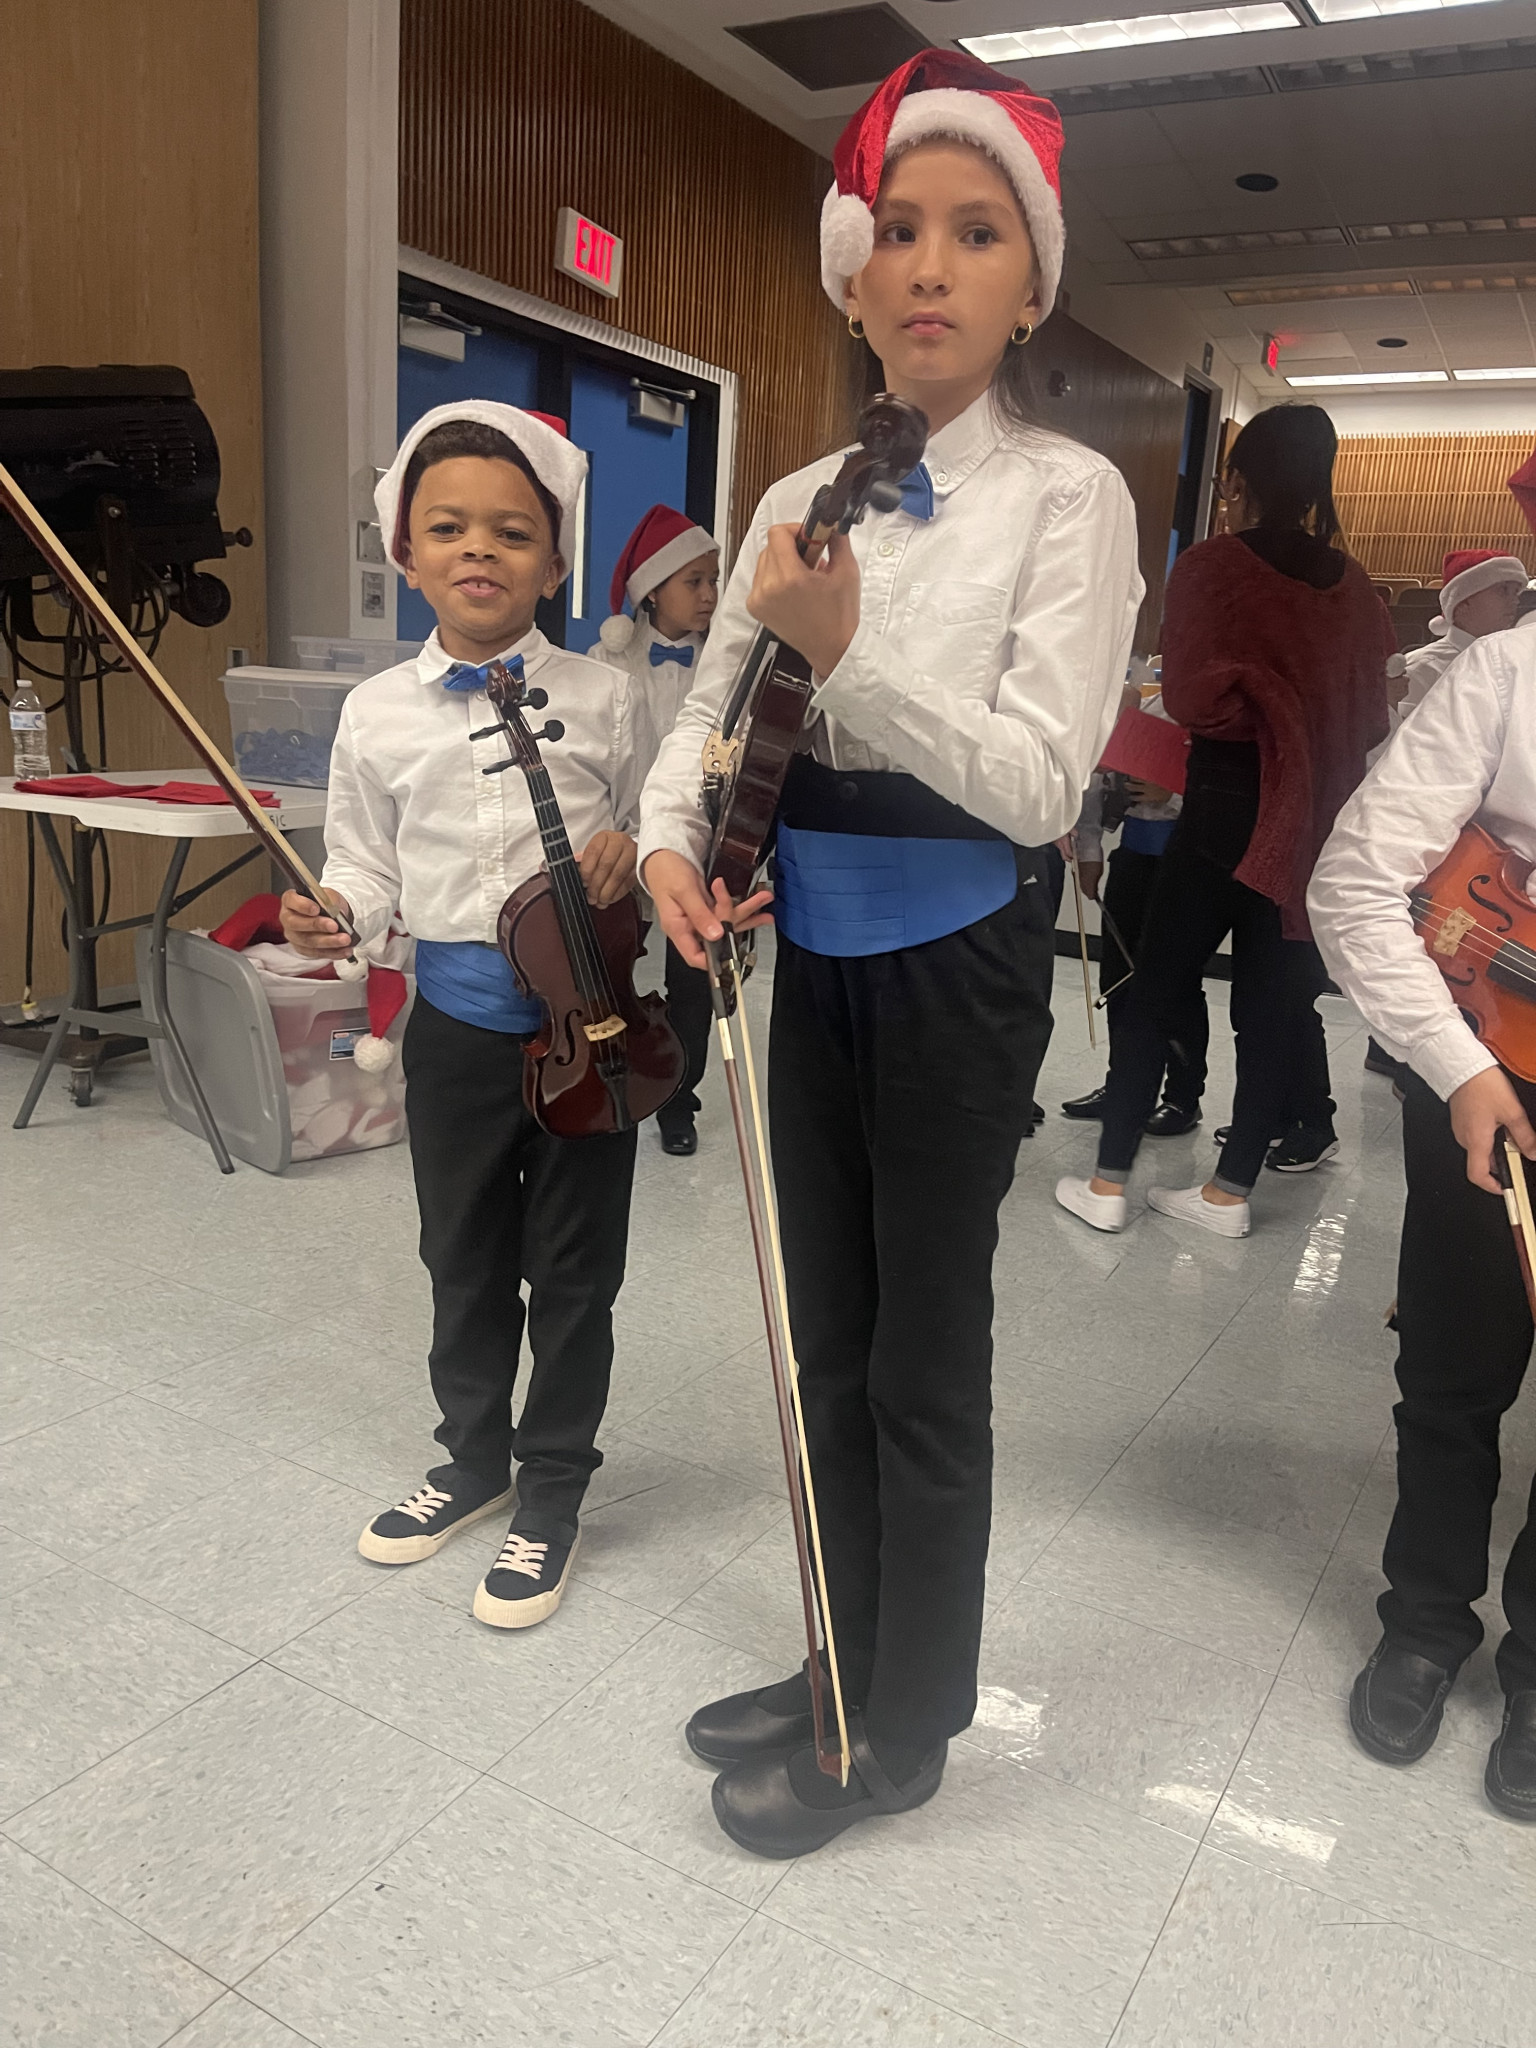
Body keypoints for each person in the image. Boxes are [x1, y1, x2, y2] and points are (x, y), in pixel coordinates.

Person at [639, 48, 1142, 1857]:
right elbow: (707, 711)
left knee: (922, 1353)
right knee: (821, 1337)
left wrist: (849, 652)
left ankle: (907, 1714)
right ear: (853, 276)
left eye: (978, 232)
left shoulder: (1071, 497)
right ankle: (838, 1652)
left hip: (961, 962)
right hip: (815, 957)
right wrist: (667, 842)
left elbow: (1037, 785)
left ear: (1032, 285)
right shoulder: (795, 488)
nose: (932, 265)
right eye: (901, 230)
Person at [279, 401, 644, 1631]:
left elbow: (656, 832)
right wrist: (337, 909)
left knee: (576, 1274)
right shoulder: (377, 711)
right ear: (406, 550)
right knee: (462, 1256)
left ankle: (554, 1490)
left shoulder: (605, 695)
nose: (478, 548)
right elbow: (364, 864)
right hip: (455, 1032)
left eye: (511, 530)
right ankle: (474, 1458)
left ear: (553, 558)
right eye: (448, 527)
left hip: (592, 1026)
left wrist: (629, 851)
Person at [1056, 404, 1391, 1239]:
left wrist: (1255, 709)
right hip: (1312, 824)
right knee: (1272, 1008)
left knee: (1155, 988)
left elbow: (1191, 698)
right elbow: (1370, 717)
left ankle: (1107, 1184)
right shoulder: (1355, 588)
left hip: (1221, 812)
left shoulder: (1213, 565)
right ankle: (1229, 1194)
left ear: (1237, 481)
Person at [1309, 625, 1536, 1822]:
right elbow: (1355, 882)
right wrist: (1457, 1065)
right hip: (1491, 1062)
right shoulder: (1506, 672)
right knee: (1454, 1367)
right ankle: (1426, 1621)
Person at [593, 504, 721, 1156]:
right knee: (608, 971)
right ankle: (613, 1080)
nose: (709, 595)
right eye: (693, 581)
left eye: (713, 580)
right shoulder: (606, 666)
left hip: (694, 850)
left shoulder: (723, 669)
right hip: (622, 846)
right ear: (651, 591)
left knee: (694, 986)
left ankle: (678, 1098)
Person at [1062, 675, 1205, 1136]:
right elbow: (1098, 782)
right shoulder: (1146, 709)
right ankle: (1124, 1085)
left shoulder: (1221, 716)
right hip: (1135, 857)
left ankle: (1183, 1097)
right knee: (1119, 976)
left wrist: (1174, 792)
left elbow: (1236, 794)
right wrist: (1090, 853)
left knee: (1176, 984)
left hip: (1187, 860)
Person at [1399, 549, 1527, 712]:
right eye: (1503, 590)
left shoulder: (1517, 664)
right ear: (1463, 602)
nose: (1515, 601)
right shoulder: (1422, 670)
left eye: (1516, 592)